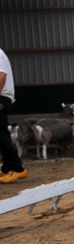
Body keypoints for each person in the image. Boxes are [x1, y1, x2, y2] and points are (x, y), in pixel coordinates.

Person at [0, 46, 28, 184]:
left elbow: (2, 75)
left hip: (2, 96)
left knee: (1, 134)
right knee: (2, 133)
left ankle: (16, 167)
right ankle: (7, 168)